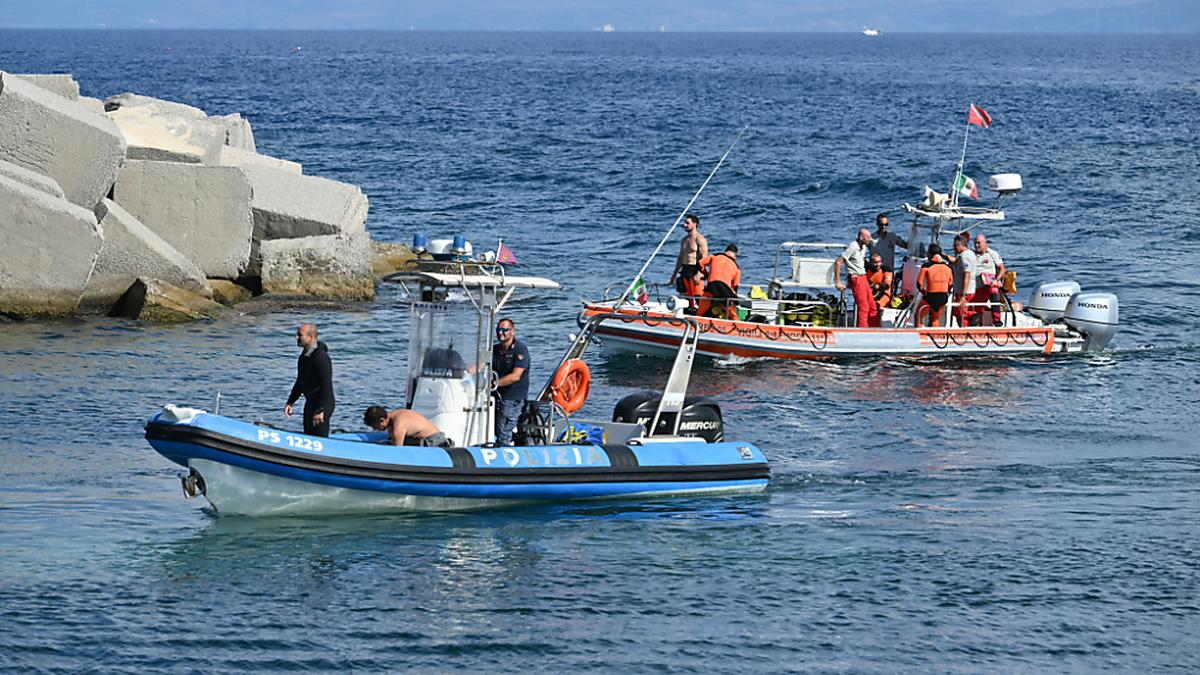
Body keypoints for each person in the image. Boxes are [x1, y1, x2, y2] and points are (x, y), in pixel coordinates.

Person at [285, 323, 335, 437]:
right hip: (310, 402)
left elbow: (326, 385)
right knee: (308, 435)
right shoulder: (304, 357)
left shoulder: (320, 357)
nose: (296, 338)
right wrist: (290, 402)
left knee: (319, 437)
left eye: (299, 335)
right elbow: (300, 381)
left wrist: (322, 410)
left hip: (322, 403)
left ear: (310, 337)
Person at [492, 317, 530, 446]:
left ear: (512, 332)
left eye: (505, 330)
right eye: (498, 330)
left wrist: (493, 384)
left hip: (512, 398)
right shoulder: (495, 350)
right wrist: (466, 373)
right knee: (493, 427)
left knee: (503, 430)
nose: (501, 333)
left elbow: (515, 376)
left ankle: (504, 453)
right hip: (496, 396)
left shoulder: (520, 350)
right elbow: (481, 363)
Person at [833, 228, 875, 327]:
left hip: (863, 276)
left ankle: (874, 328)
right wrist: (838, 282)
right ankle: (863, 331)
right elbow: (838, 262)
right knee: (863, 307)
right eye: (867, 237)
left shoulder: (863, 247)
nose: (870, 239)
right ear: (861, 237)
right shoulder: (853, 247)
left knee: (872, 306)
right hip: (856, 277)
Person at [669, 213, 708, 310]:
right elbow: (680, 258)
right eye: (684, 223)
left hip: (695, 269)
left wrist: (699, 273)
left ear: (695, 224)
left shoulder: (700, 239)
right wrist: (674, 275)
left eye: (687, 223)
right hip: (685, 269)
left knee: (698, 297)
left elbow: (704, 258)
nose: (684, 225)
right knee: (687, 298)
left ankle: (703, 315)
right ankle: (688, 313)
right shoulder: (684, 240)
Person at [363, 406, 453, 447]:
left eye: (375, 426)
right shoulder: (396, 413)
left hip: (432, 441)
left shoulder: (398, 425)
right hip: (437, 435)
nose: (375, 429)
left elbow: (397, 449)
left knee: (387, 444)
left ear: (382, 420)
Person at [697, 244, 741, 319]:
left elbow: (700, 263)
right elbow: (735, 288)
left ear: (725, 251)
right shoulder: (737, 268)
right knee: (732, 311)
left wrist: (705, 273)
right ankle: (738, 324)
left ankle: (698, 319)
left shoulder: (715, 256)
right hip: (725, 289)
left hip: (712, 286)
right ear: (735, 255)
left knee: (701, 309)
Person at [971, 233, 1006, 326]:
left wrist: (996, 280)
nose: (976, 245)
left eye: (979, 243)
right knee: (977, 310)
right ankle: (978, 326)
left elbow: (1002, 269)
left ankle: (997, 321)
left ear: (985, 243)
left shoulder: (992, 254)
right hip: (978, 287)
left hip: (991, 284)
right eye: (975, 243)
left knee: (994, 292)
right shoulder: (971, 254)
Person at [916, 244, 954, 327]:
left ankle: (919, 334)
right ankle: (935, 336)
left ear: (929, 254)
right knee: (936, 318)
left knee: (918, 316)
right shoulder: (948, 267)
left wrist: (924, 293)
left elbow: (919, 284)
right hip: (943, 297)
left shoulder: (926, 266)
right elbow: (950, 284)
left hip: (930, 296)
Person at [948, 234, 977, 327]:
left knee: (961, 313)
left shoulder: (966, 257)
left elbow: (967, 275)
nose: (954, 248)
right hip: (959, 290)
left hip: (965, 291)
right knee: (957, 312)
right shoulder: (963, 255)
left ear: (961, 245)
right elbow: (956, 261)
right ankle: (963, 326)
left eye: (955, 245)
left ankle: (974, 318)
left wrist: (963, 295)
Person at [865, 253, 892, 327]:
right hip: (871, 295)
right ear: (870, 262)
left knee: (875, 306)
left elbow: (886, 286)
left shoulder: (886, 269)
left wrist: (876, 286)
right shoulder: (866, 269)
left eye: (879, 262)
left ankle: (875, 326)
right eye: (875, 262)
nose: (878, 264)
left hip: (884, 295)